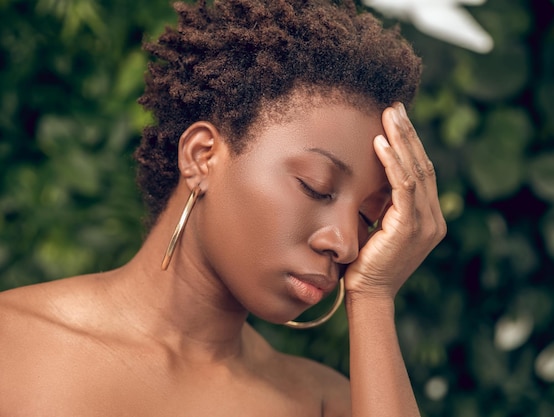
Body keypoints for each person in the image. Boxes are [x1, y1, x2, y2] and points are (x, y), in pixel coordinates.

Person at [0, 0, 446, 415]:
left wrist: (372, 296)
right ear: (201, 157)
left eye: (368, 218)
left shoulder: (326, 402)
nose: (346, 243)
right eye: (316, 187)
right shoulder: (13, 346)